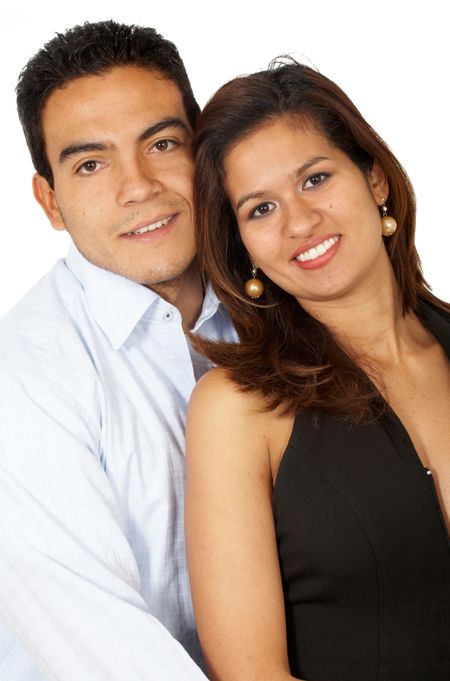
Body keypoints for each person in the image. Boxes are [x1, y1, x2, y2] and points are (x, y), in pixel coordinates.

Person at [185, 61, 450, 681]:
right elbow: (251, 675)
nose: (299, 223)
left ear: (375, 179)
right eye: (260, 209)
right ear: (241, 246)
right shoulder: (237, 409)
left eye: (316, 179)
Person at [0, 20, 235, 681]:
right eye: (91, 163)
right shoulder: (22, 381)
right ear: (50, 201)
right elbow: (111, 660)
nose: (138, 187)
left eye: (161, 143)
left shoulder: (276, 307)